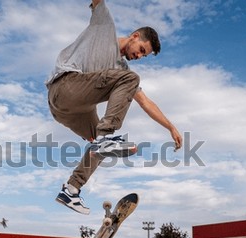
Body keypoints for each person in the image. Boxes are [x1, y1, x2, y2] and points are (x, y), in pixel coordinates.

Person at [46, 0, 182, 215]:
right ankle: (105, 137)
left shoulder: (121, 70)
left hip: (67, 110)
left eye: (142, 56)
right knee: (130, 81)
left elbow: (145, 102)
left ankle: (71, 190)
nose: (138, 56)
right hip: (66, 86)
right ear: (135, 36)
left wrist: (171, 127)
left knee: (98, 148)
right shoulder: (105, 26)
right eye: (140, 50)